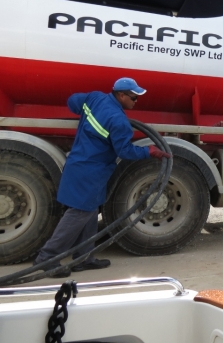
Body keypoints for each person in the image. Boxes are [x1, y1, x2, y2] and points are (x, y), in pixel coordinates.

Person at [34, 78, 171, 277]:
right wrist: (149, 151)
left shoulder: (95, 98)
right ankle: (46, 258)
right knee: (79, 213)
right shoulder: (118, 121)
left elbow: (73, 101)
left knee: (89, 212)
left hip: (80, 165)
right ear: (122, 95)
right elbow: (125, 151)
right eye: (134, 97)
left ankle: (83, 258)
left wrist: (84, 112)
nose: (136, 101)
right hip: (91, 171)